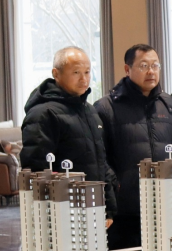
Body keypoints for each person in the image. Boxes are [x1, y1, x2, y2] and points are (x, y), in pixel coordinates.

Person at [95, 44, 172, 251]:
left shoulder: (171, 106)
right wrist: (115, 188)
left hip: (167, 207)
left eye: (155, 65)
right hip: (126, 210)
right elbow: (100, 158)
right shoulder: (106, 108)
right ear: (127, 69)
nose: (151, 71)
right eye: (144, 66)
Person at [19, 46, 118, 225]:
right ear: (56, 74)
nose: (84, 79)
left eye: (87, 72)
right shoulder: (43, 114)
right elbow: (37, 168)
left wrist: (108, 208)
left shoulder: (89, 111)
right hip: (62, 213)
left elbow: (100, 162)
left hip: (93, 206)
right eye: (76, 72)